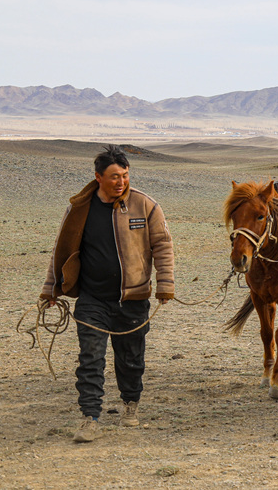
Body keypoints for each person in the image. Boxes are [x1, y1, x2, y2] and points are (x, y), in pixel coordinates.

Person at [40, 144, 175, 443]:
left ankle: (130, 403)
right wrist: (52, 289)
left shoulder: (146, 205)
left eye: (125, 175)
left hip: (133, 299)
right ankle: (90, 418)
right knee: (90, 358)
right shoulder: (79, 209)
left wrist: (165, 285)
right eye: (114, 176)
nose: (121, 182)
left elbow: (163, 247)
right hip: (92, 300)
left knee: (130, 360)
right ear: (98, 177)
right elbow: (60, 250)